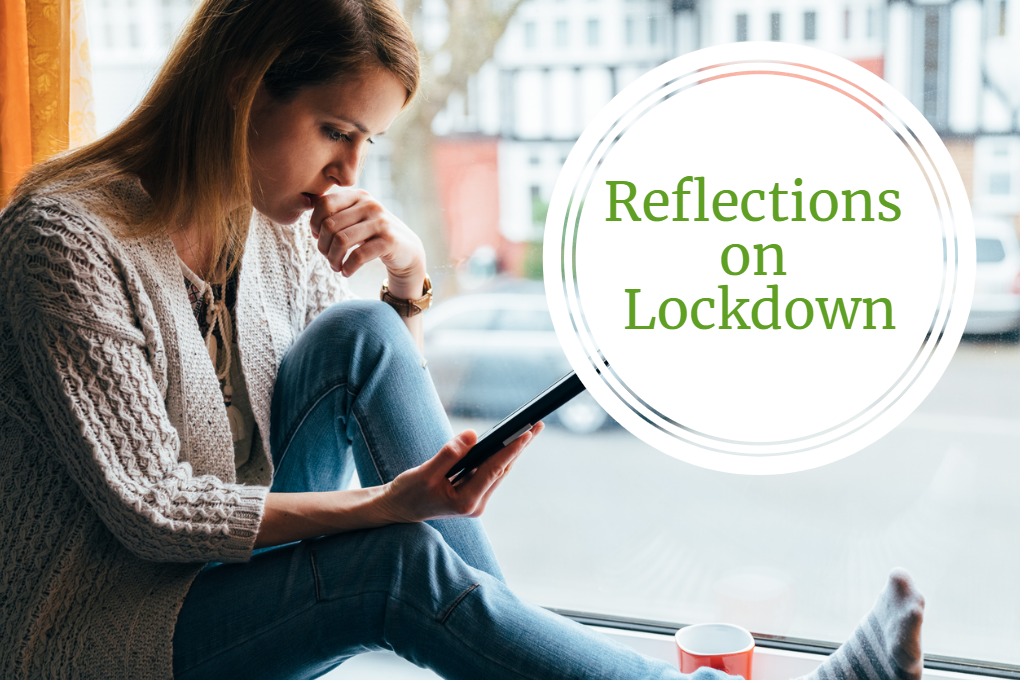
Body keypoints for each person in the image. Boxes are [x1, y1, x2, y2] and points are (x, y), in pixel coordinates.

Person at [0, 0, 925, 678]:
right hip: (109, 626)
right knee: (397, 565)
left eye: (366, 140)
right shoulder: (63, 237)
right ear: (242, 87)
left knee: (359, 328)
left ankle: (523, 648)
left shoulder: (264, 222)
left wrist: (406, 284)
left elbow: (352, 387)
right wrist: (385, 509)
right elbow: (153, 513)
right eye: (335, 130)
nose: (348, 172)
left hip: (227, 565)